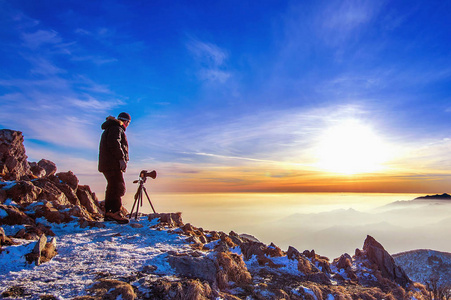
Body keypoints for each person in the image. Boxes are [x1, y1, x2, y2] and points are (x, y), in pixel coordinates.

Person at [98, 112, 131, 224]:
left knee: (113, 187)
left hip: (108, 163)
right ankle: (114, 212)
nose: (127, 125)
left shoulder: (112, 127)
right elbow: (114, 143)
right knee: (118, 187)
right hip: (112, 164)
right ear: (125, 121)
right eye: (128, 122)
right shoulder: (116, 128)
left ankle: (110, 213)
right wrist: (121, 159)